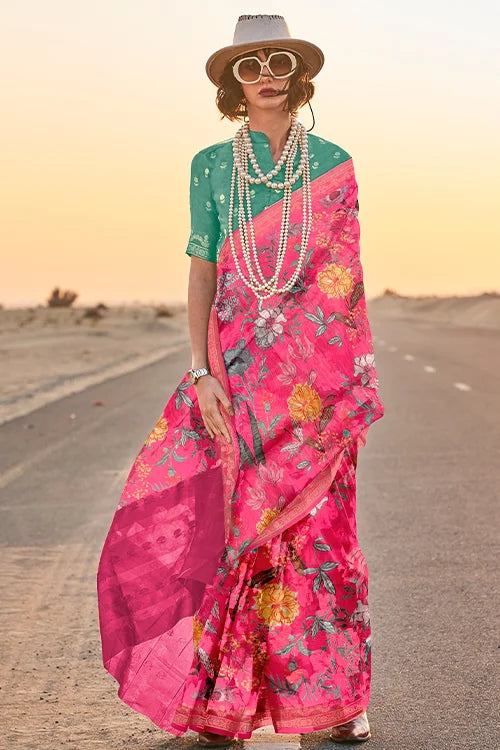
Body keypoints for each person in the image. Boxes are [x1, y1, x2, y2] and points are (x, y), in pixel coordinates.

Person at [96, 13, 384, 746]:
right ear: (232, 80)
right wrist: (200, 373)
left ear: (297, 71)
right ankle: (220, 707)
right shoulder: (210, 166)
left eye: (277, 59)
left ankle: (333, 703)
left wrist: (339, 389)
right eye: (249, 64)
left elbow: (342, 284)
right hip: (238, 376)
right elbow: (202, 269)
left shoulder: (336, 163)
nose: (265, 74)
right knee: (232, 539)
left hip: (316, 386)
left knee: (320, 536)